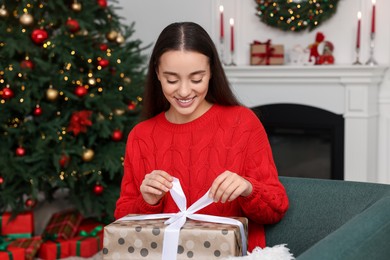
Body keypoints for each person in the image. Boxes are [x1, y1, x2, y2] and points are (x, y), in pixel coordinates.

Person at [114, 21, 289, 252]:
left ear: (211, 72)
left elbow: (275, 209)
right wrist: (147, 201)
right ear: (157, 72)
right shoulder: (141, 136)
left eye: (196, 79)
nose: (184, 91)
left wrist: (248, 188)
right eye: (172, 79)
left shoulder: (242, 123)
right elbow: (122, 224)